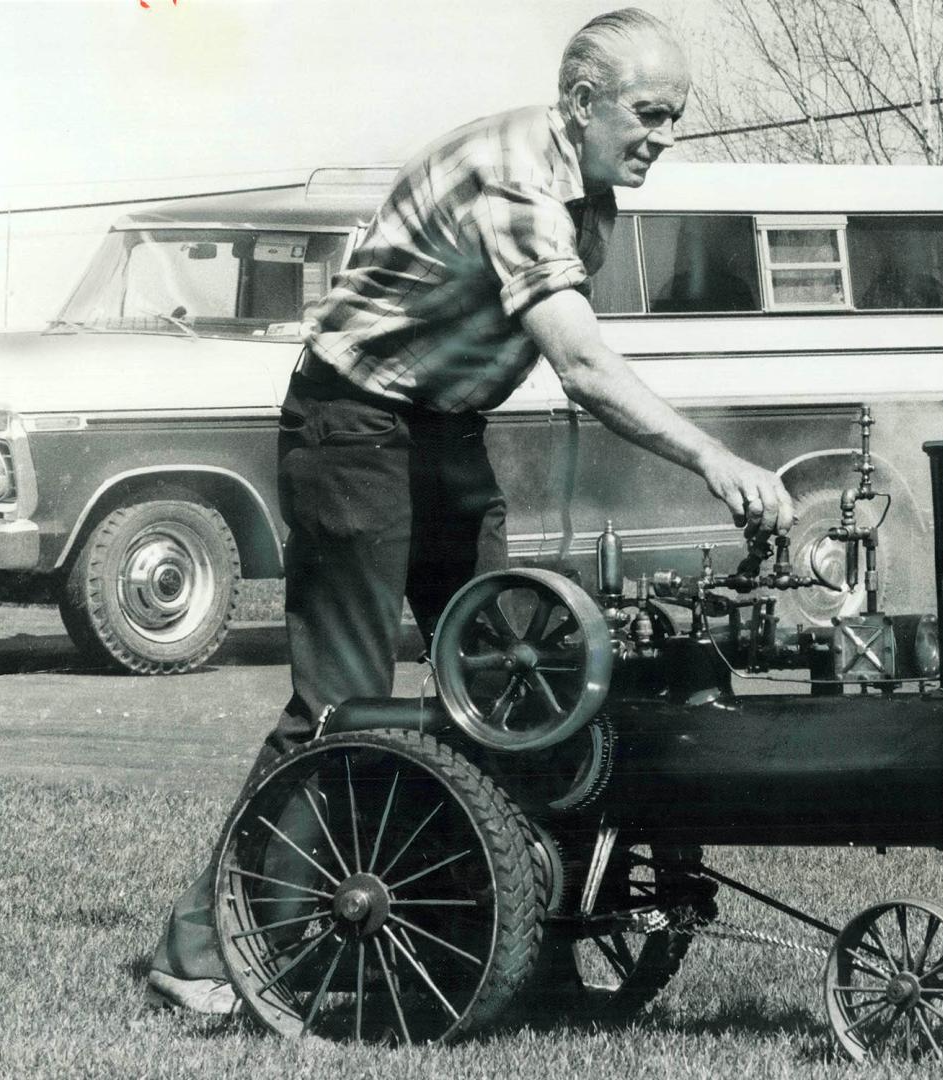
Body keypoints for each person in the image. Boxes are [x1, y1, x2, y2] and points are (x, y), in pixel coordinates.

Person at [144, 7, 794, 1013]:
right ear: (582, 104)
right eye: (648, 114)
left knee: (508, 689)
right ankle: (196, 952)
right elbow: (579, 363)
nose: (662, 135)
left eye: (676, 118)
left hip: (443, 435)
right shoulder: (519, 182)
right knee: (342, 706)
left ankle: (487, 948)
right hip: (352, 428)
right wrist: (713, 459)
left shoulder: (591, 182)